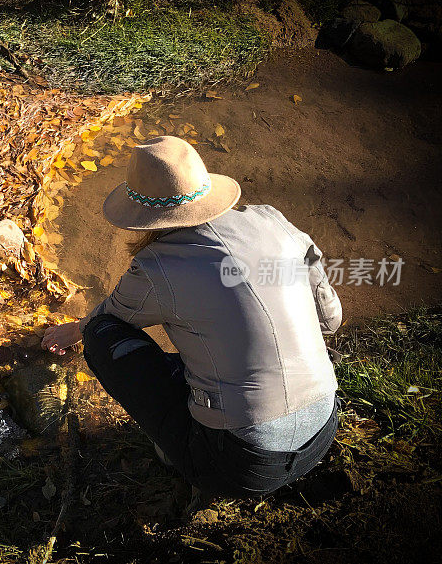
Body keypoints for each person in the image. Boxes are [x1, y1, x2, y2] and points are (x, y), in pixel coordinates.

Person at [42, 136, 342, 501]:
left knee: (102, 336)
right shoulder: (272, 220)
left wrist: (76, 329)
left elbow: (109, 317)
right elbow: (330, 319)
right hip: (323, 429)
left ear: (142, 214)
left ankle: (177, 451)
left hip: (239, 466)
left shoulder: (156, 266)